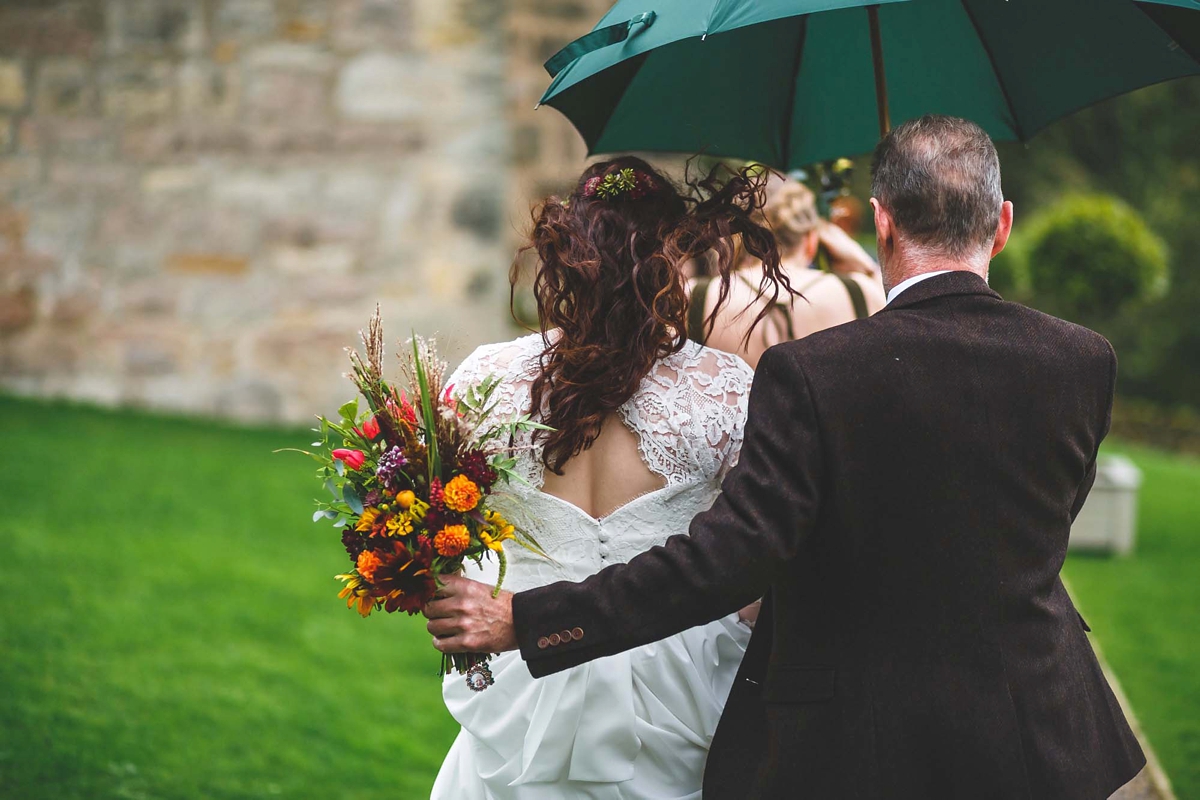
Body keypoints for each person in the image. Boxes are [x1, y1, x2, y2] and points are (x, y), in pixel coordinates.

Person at [424, 116, 1147, 799]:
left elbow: (734, 555)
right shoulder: (1084, 360)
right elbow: (1052, 514)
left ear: (882, 220)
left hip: (858, 725)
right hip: (1037, 719)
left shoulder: (815, 372)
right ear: (1005, 222)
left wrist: (530, 616)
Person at [429, 156, 789, 799]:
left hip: (517, 665)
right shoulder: (730, 393)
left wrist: (471, 599)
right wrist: (731, 636)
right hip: (675, 675)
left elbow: (437, 520)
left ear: (569, 256)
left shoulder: (486, 377)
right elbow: (756, 558)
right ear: (671, 262)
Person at [689, 177, 885, 367]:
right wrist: (867, 265)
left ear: (738, 237)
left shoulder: (696, 295)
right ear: (811, 241)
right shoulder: (860, 292)